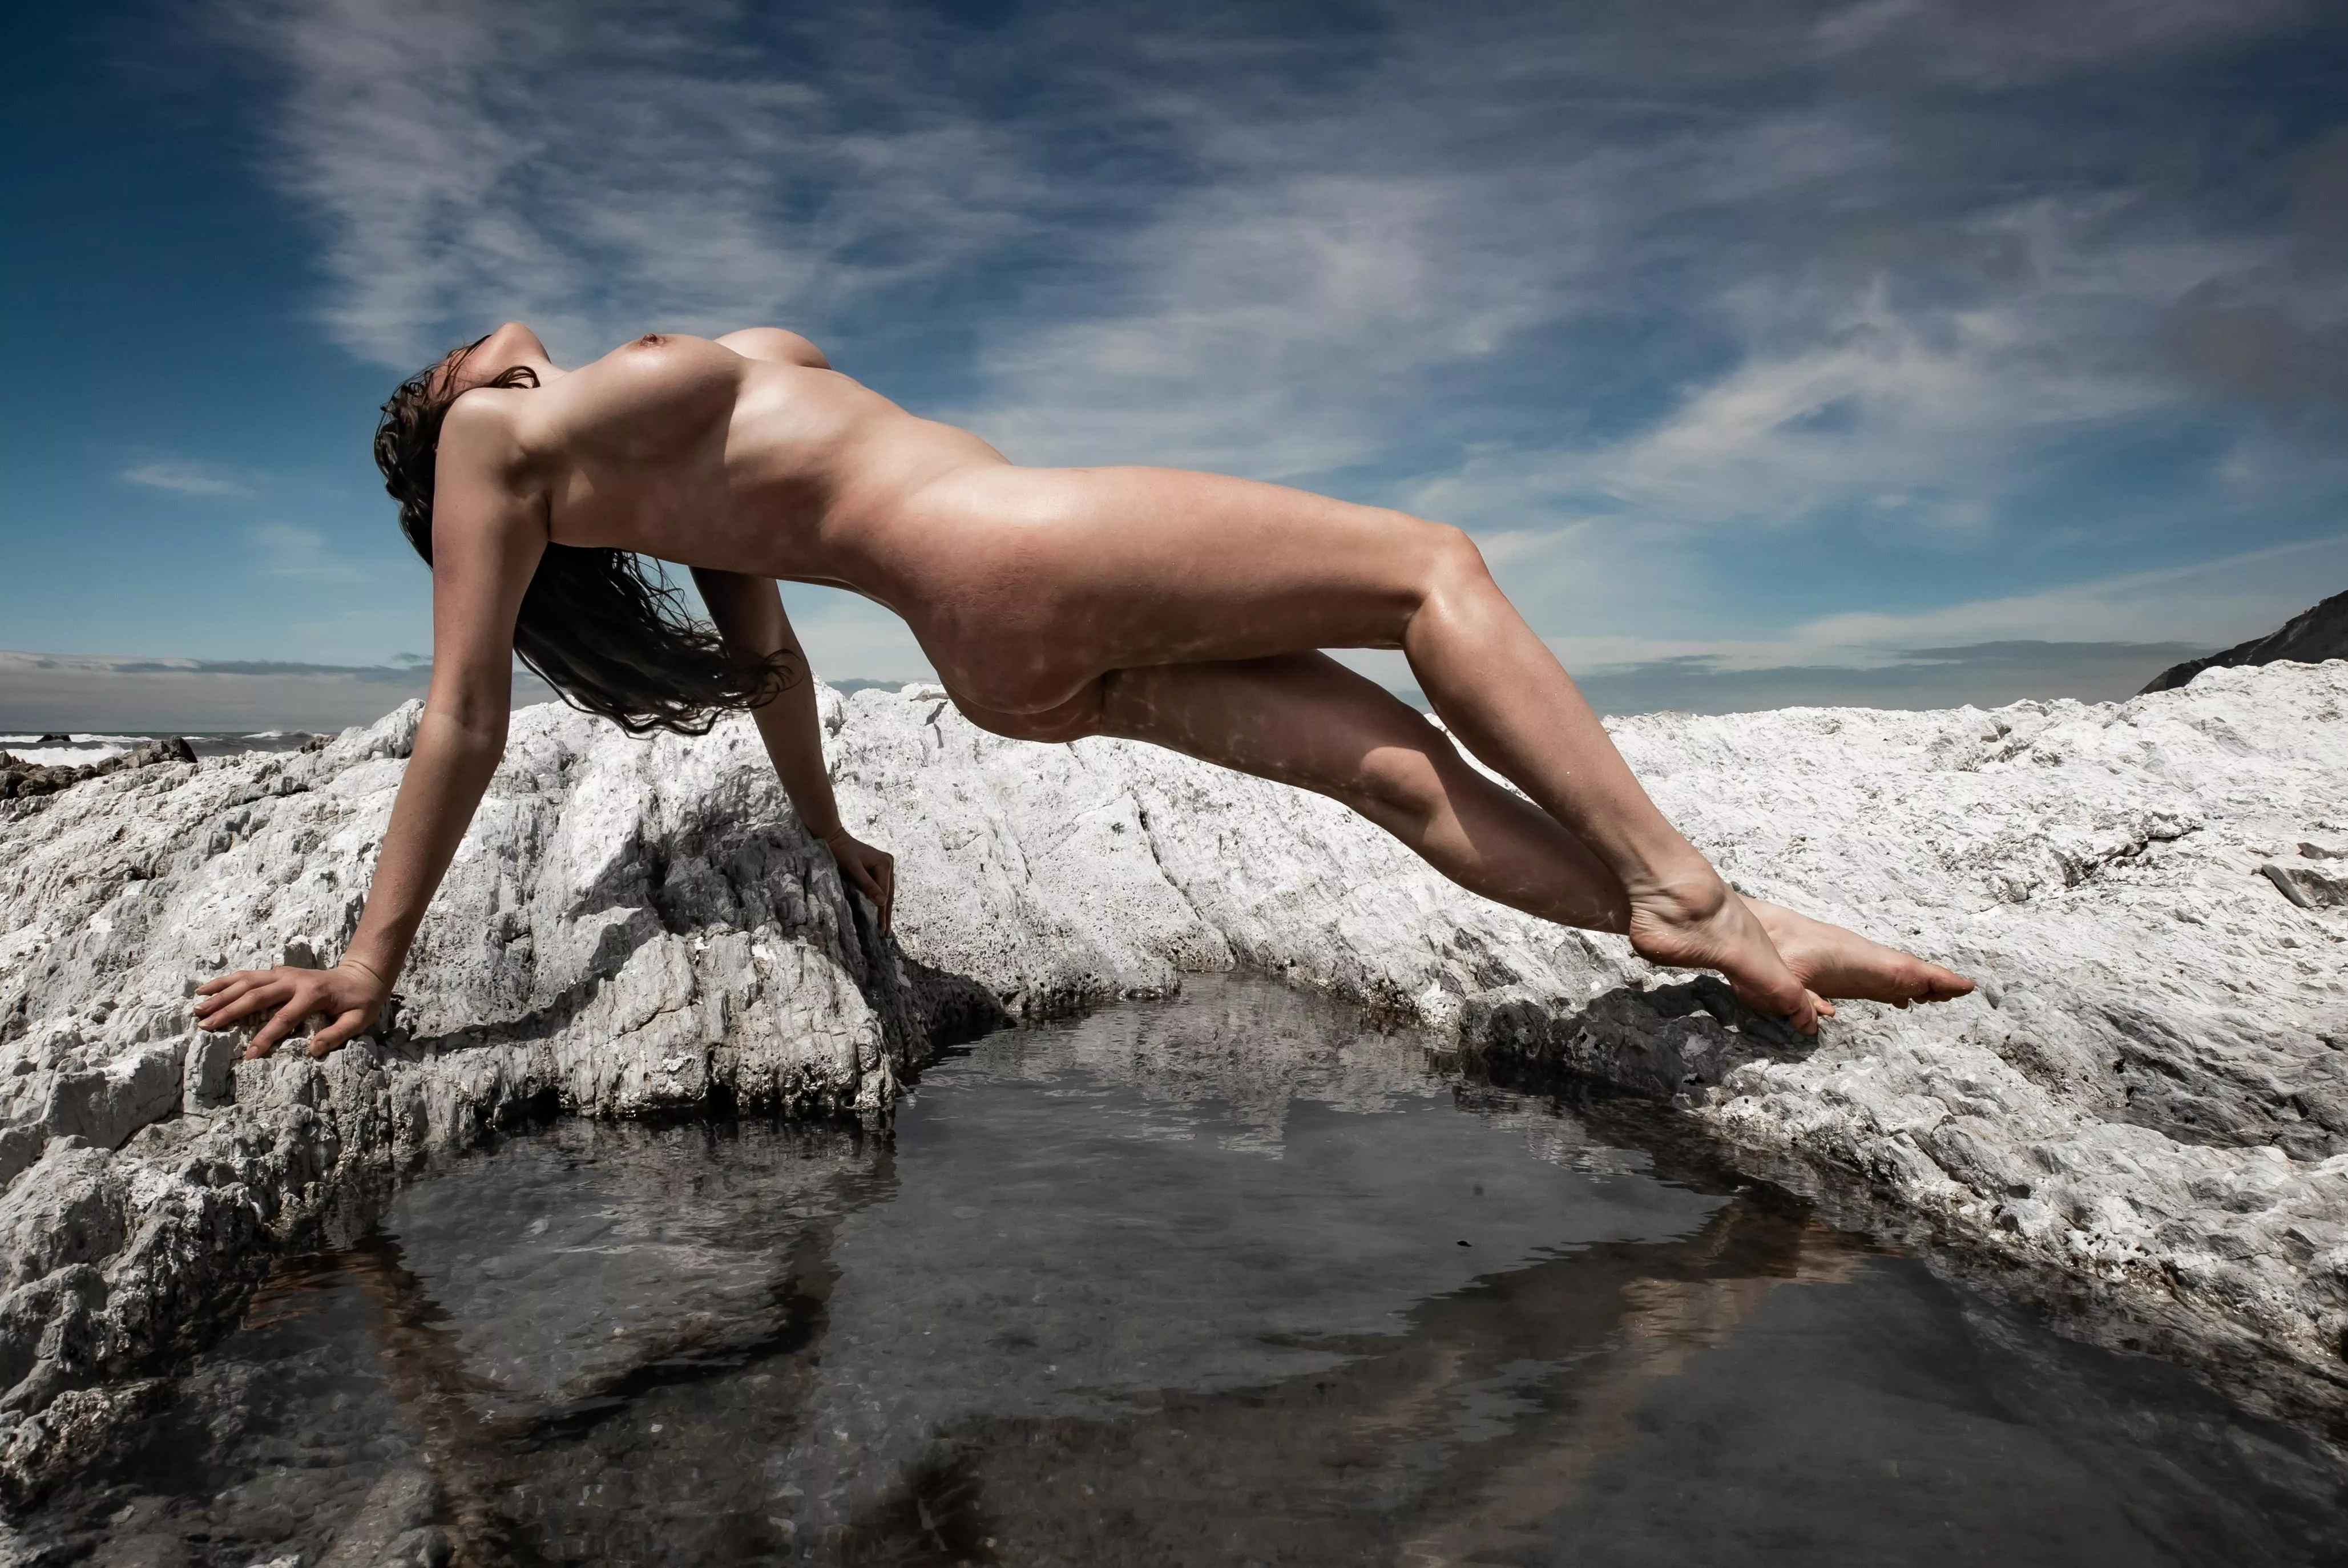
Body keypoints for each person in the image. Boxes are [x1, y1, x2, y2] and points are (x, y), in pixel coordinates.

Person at [193, 324, 1971, 1058]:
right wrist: (368, 962)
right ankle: (1688, 890)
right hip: (1013, 558)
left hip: (999, 661)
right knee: (1432, 566)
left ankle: (1707, 925)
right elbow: (463, 715)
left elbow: (777, 663)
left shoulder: (649, 458)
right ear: (450, 427)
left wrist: (835, 836)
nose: (470, 347)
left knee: (1398, 772)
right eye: (440, 376)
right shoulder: (505, 439)